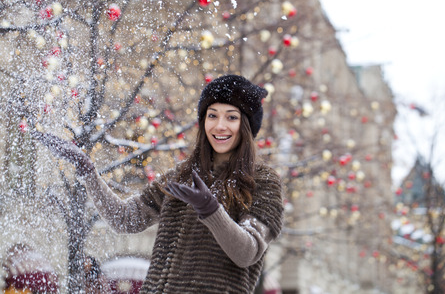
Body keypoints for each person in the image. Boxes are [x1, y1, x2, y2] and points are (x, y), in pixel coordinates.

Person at [32, 74, 284, 293]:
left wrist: (210, 209)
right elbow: (125, 219)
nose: (219, 125)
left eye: (231, 117)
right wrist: (87, 172)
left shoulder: (262, 182)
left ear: (247, 126)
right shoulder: (182, 175)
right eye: (212, 115)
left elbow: (247, 253)